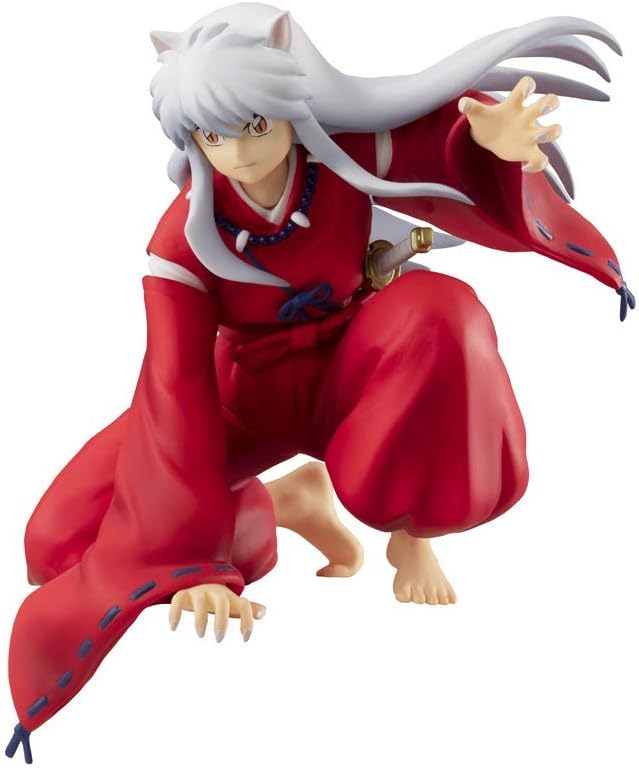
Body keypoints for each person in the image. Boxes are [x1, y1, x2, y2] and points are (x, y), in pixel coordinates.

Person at [6, 5, 632, 763]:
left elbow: (441, 151)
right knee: (56, 544)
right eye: (213, 135)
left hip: (359, 371)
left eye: (254, 126)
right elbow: (174, 392)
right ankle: (287, 503)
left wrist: (490, 148)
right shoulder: (181, 243)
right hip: (246, 395)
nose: (238, 153)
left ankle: (413, 532)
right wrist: (189, 561)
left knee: (442, 312)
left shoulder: (340, 157)